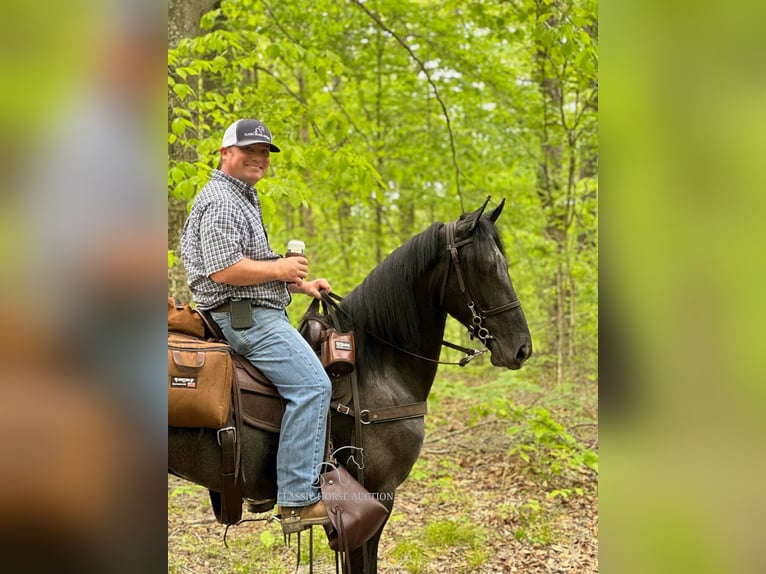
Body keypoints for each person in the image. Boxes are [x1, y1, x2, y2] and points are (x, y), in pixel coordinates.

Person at [181, 119, 332, 533]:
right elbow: (224, 269)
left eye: (265, 152)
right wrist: (280, 266)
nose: (259, 158)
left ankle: (269, 476)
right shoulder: (222, 201)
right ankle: (298, 499)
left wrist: (298, 284)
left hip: (255, 308)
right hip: (245, 318)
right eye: (250, 150)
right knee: (313, 386)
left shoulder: (243, 197)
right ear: (225, 153)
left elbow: (252, 265)